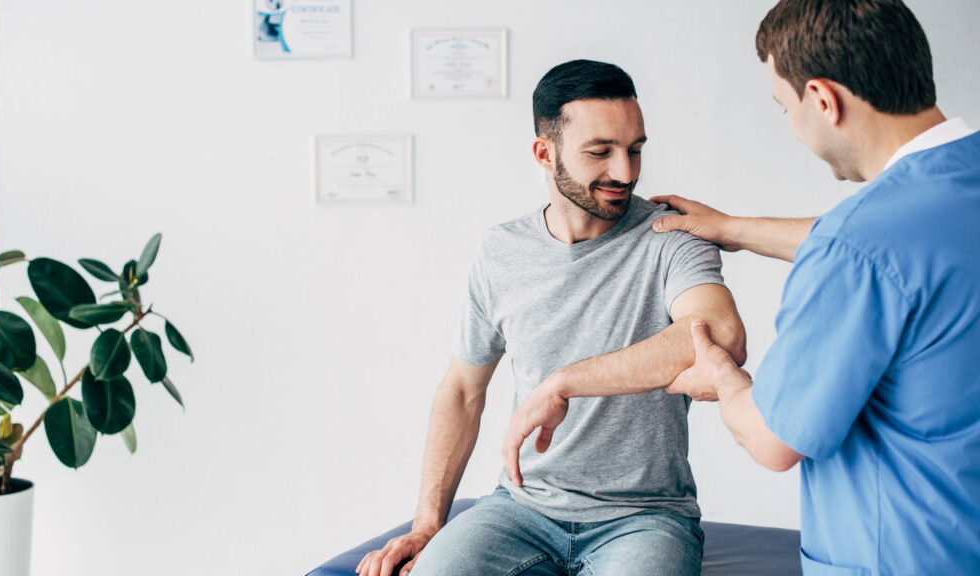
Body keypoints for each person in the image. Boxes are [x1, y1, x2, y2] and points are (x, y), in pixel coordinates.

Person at [356, 59, 746, 576]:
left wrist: (564, 382)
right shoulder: (501, 251)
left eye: (634, 149)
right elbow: (461, 390)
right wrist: (427, 524)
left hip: (645, 517)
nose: (626, 172)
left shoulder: (670, 235)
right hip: (521, 508)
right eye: (600, 152)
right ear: (545, 153)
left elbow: (717, 335)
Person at [649, 1, 980, 574]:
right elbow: (906, 249)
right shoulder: (947, 193)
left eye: (786, 109)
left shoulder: (859, 246)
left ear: (824, 100)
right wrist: (731, 229)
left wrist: (723, 378)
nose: (794, 127)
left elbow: (773, 440)